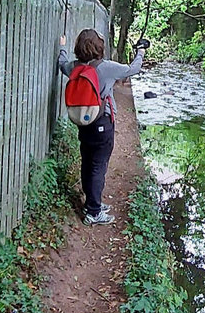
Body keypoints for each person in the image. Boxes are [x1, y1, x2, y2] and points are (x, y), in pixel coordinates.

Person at [58, 29, 147, 225]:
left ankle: (92, 202)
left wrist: (62, 47)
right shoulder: (106, 67)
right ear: (99, 47)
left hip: (84, 123)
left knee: (87, 162)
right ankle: (94, 212)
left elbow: (61, 64)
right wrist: (140, 53)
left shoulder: (75, 67)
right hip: (102, 123)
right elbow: (133, 70)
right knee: (98, 166)